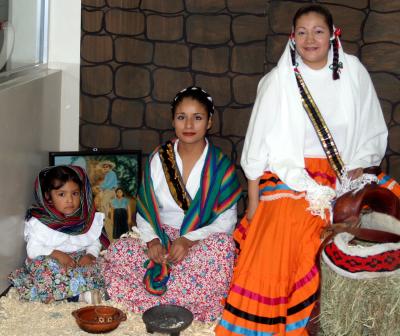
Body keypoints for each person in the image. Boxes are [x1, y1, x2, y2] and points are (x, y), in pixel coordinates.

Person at [215, 4, 400, 335]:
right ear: (292, 37)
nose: (310, 39)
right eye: (302, 32)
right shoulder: (278, 80)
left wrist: (356, 168)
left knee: (393, 203)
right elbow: (257, 145)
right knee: (292, 226)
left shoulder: (353, 71)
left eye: (318, 31)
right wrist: (254, 202)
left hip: (344, 173)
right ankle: (290, 323)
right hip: (289, 174)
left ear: (333, 34)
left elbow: (371, 127)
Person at [102, 86, 242, 322]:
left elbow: (227, 221)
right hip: (162, 237)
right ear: (173, 120)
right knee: (118, 251)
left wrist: (188, 240)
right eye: (181, 117)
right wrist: (153, 241)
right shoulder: (160, 159)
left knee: (223, 248)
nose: (188, 125)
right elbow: (145, 207)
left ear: (209, 122)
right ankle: (182, 303)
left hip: (199, 242)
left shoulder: (220, 166)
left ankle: (150, 301)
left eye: (197, 118)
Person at [9, 165, 110, 303]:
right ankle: (78, 295)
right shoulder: (40, 222)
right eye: (62, 194)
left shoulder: (86, 217)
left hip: (79, 259)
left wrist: (90, 255)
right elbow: (33, 250)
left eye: (74, 193)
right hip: (52, 259)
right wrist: (57, 254)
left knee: (104, 264)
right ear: (48, 196)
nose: (69, 200)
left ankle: (85, 291)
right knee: (42, 267)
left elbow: (94, 241)